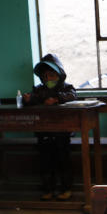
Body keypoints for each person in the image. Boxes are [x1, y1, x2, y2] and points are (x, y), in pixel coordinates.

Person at [23, 54, 77, 200]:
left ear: (60, 74)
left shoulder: (67, 88)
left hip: (62, 133)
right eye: (45, 76)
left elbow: (72, 96)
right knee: (45, 162)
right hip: (43, 132)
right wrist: (28, 99)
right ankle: (48, 189)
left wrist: (57, 99)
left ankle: (66, 188)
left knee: (63, 161)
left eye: (52, 75)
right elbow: (32, 100)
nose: (48, 79)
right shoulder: (39, 90)